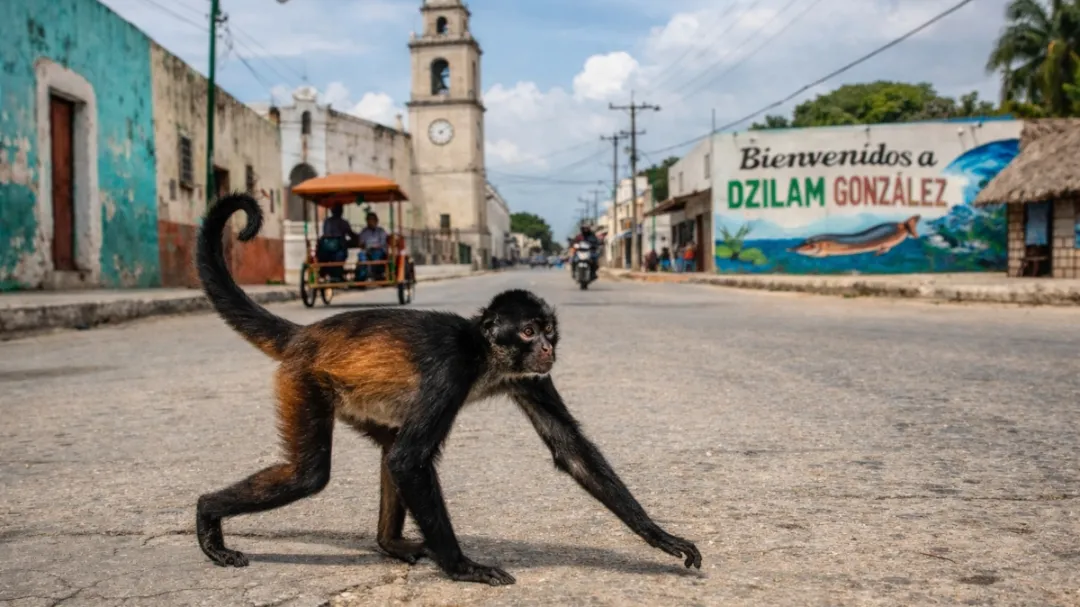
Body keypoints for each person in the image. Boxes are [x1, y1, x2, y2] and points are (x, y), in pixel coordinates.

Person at [357, 211, 389, 280]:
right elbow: (361, 243)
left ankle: (377, 274)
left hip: (379, 251)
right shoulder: (364, 231)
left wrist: (372, 246)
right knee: (361, 255)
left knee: (377, 254)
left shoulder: (381, 231)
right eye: (369, 219)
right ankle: (362, 278)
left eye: (372, 219)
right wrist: (366, 246)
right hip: (367, 251)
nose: (370, 221)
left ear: (376, 221)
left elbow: (382, 243)